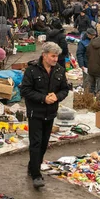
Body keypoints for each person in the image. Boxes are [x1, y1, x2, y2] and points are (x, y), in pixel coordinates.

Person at [21, 42, 70, 189]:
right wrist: (43, 98)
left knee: (44, 143)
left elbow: (65, 89)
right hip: (35, 112)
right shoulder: (31, 70)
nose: (55, 59)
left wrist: (57, 96)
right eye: (53, 56)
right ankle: (36, 175)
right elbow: (25, 91)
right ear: (44, 55)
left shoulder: (60, 70)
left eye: (57, 56)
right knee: (35, 142)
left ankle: (33, 165)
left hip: (50, 113)